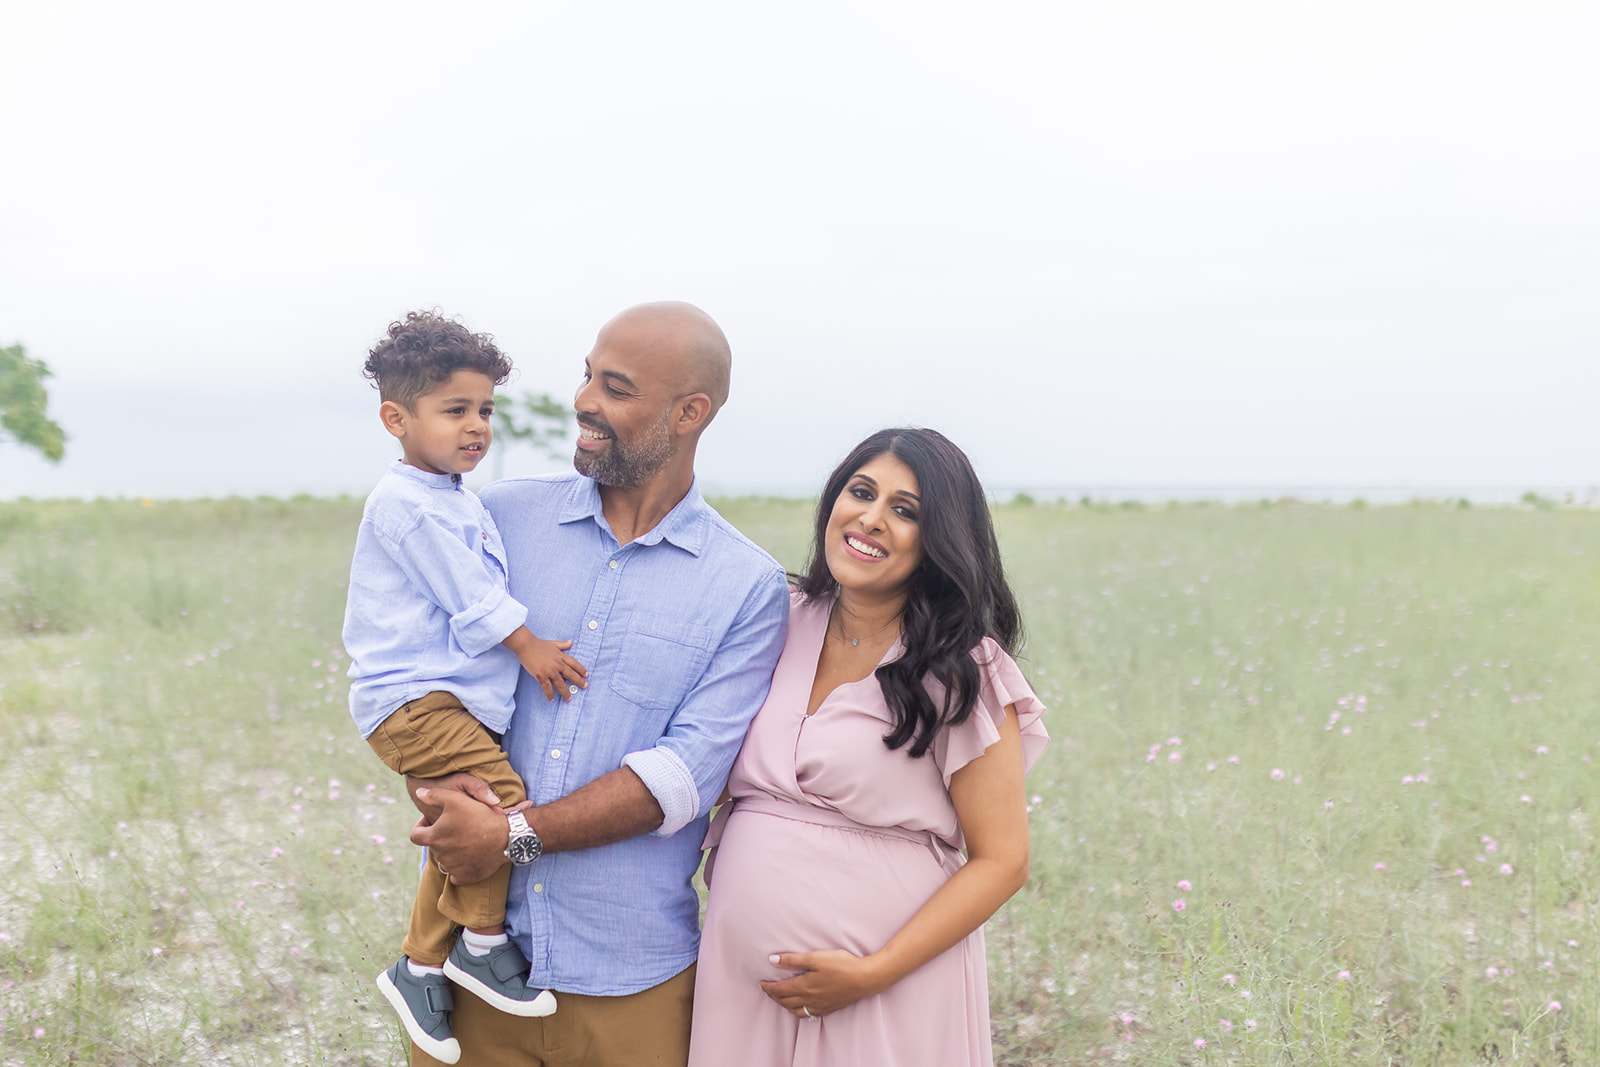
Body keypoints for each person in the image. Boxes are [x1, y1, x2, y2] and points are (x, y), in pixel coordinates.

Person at [406, 301, 791, 1067]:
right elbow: (425, 674)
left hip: (633, 986)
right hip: (467, 973)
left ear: (689, 412)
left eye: (614, 387)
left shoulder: (748, 586)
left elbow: (685, 775)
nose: (583, 400)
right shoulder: (498, 517)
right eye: (586, 375)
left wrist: (507, 836)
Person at [689, 427, 1050, 1067]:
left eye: (905, 510)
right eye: (861, 492)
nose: (872, 518)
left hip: (886, 991)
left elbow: (1003, 861)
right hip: (739, 985)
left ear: (940, 540)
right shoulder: (773, 619)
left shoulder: (962, 669)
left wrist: (874, 972)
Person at [343, 312, 591, 1063]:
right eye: (456, 410)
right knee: (497, 804)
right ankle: (482, 944)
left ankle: (419, 966)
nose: (476, 425)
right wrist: (532, 649)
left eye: (485, 409)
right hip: (413, 699)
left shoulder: (454, 496)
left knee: (461, 820)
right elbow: (468, 596)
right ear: (397, 417)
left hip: (442, 702)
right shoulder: (406, 504)